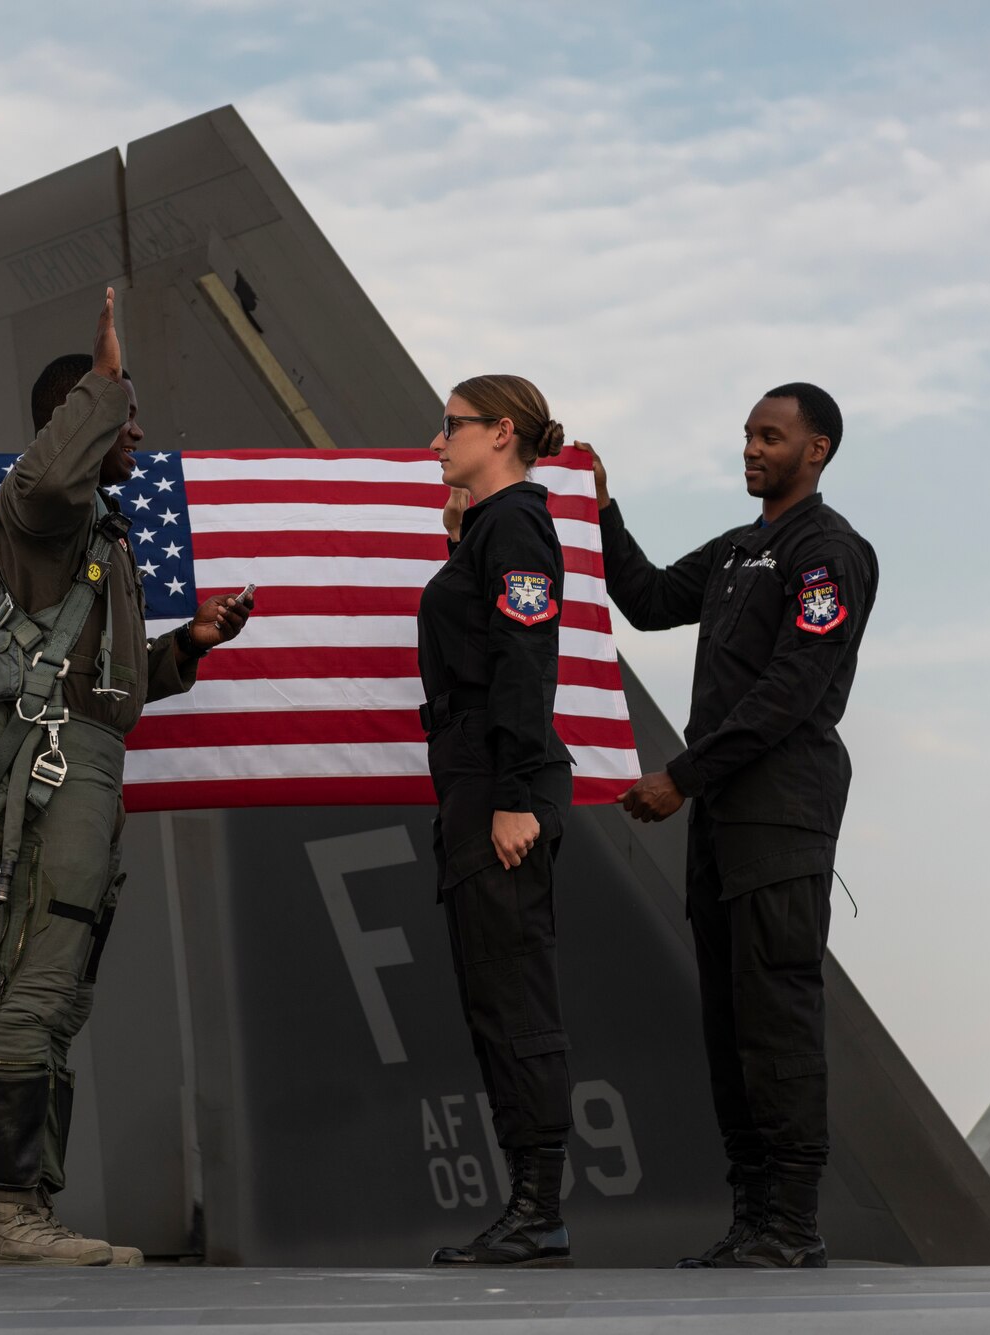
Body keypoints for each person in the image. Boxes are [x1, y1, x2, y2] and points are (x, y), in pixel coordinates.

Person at [0, 288, 252, 1267]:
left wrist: (186, 649)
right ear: (73, 425)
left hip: (82, 755)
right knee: (37, 984)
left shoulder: (95, 538)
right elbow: (42, 484)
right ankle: (6, 1217)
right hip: (51, 766)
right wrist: (99, 382)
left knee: (62, 990)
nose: (138, 433)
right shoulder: (41, 513)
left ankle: (27, 1205)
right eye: (123, 419)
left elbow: (102, 686)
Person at [583, 383, 878, 1269]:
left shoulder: (829, 553)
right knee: (729, 1022)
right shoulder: (740, 548)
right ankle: (752, 1219)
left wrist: (682, 773)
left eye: (771, 436)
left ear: (816, 449)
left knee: (777, 1016)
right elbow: (643, 597)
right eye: (748, 433)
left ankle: (791, 1222)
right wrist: (601, 507)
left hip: (778, 811)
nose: (751, 447)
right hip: (721, 815)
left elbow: (791, 691)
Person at [420, 375, 577, 1268]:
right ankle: (526, 1204)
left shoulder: (515, 524)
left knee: (517, 997)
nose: (437, 442)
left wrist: (515, 792)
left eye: (452, 427)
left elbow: (527, 658)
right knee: (492, 998)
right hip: (476, 780)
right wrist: (459, 535)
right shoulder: (489, 527)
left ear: (501, 431)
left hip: (499, 783)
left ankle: (538, 1208)